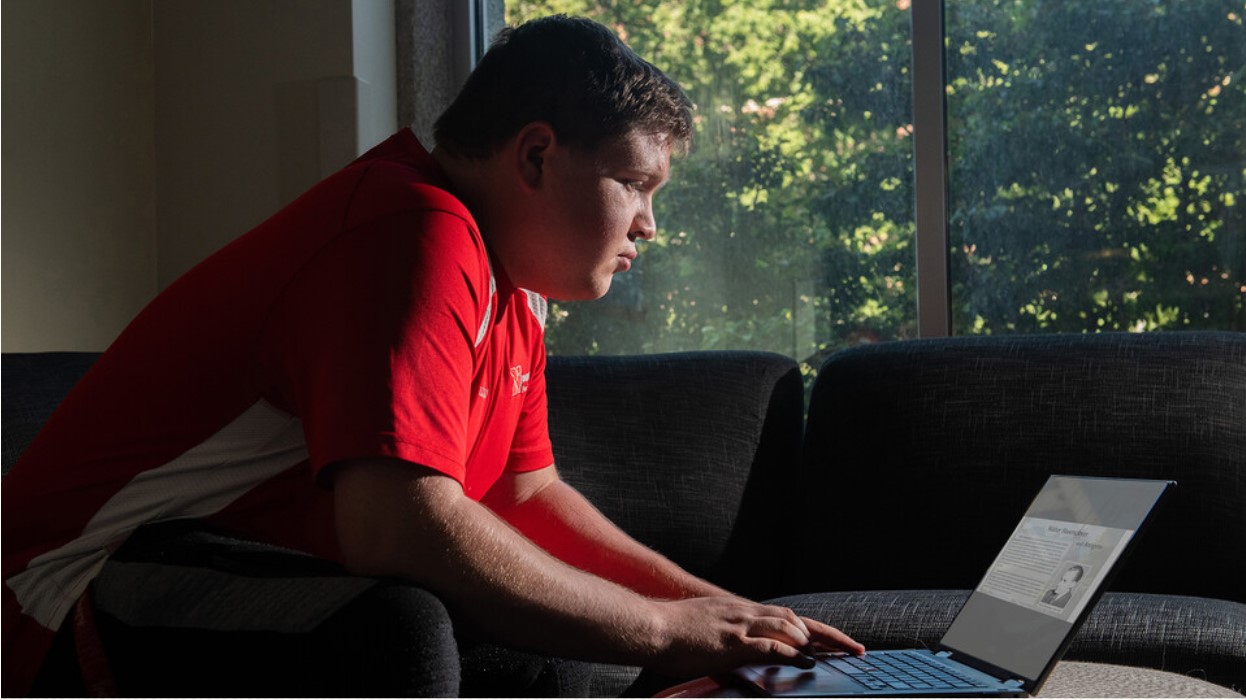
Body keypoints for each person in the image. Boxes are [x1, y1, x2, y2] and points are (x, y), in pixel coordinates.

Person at [1, 15, 862, 697]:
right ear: (535, 154)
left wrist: (710, 609)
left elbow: (526, 496)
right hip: (58, 602)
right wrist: (663, 630)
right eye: (634, 184)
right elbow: (396, 527)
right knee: (402, 629)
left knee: (556, 649)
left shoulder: (511, 289)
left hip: (192, 571)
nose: (650, 224)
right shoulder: (412, 229)